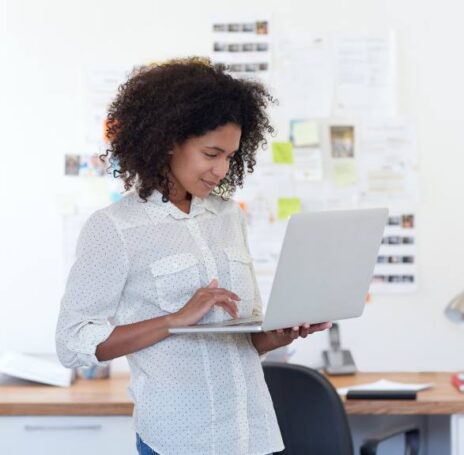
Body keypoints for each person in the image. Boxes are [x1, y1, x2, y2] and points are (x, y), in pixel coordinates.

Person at [55, 57, 331, 455]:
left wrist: (274, 335)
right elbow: (72, 342)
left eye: (231, 157)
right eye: (211, 153)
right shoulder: (115, 228)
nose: (221, 169)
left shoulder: (227, 217)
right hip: (178, 440)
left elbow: (239, 341)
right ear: (168, 140)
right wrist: (174, 320)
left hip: (250, 433)